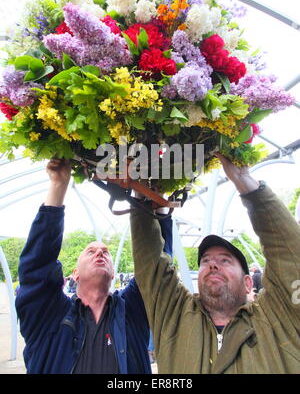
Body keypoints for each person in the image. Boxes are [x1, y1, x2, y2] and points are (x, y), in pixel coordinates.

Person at [130, 153, 300, 373]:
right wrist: (144, 191)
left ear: (248, 282)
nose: (212, 265)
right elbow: (149, 263)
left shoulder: (278, 318)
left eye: (225, 260)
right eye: (206, 260)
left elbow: (290, 256)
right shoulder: (175, 315)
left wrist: (247, 184)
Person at [15, 158, 170, 374]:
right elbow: (36, 267)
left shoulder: (132, 310)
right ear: (75, 274)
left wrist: (157, 204)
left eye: (105, 252)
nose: (100, 252)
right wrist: (59, 185)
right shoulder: (50, 315)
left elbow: (155, 268)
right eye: (91, 251)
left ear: (113, 274)